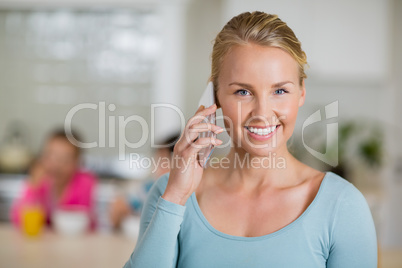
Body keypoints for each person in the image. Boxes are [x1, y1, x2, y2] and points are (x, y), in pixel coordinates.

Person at [124, 11, 377, 267]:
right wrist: (176, 196)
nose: (262, 113)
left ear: (300, 92)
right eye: (243, 91)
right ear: (214, 96)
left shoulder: (342, 206)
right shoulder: (170, 192)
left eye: (280, 90)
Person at [11, 129, 97, 230]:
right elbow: (19, 219)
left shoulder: (85, 182)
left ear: (77, 162)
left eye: (65, 159)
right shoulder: (40, 183)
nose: (57, 165)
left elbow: (83, 222)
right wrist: (33, 187)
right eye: (50, 156)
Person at [109, 134, 179, 229]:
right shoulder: (149, 188)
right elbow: (123, 206)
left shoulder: (187, 195)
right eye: (157, 160)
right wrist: (120, 208)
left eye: (163, 162)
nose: (157, 168)